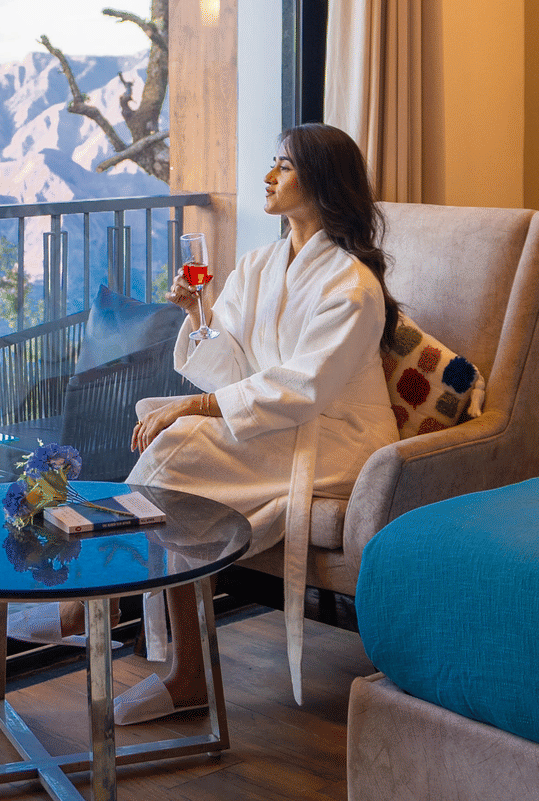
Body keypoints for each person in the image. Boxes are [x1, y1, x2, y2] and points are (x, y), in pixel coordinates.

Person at [114, 122, 402, 722]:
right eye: (272, 162)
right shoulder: (259, 265)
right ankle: (182, 666)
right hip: (275, 427)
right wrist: (198, 315)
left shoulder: (352, 286)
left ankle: (110, 612)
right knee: (176, 464)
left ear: (322, 183)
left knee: (178, 448)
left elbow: (303, 388)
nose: (269, 177)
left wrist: (191, 408)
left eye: (285, 166)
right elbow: (232, 368)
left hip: (334, 442)